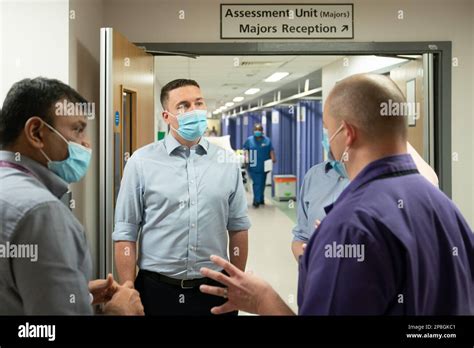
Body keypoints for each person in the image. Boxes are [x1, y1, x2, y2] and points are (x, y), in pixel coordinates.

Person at [199, 73, 474, 315]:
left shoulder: (351, 223)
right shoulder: (445, 207)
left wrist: (263, 301)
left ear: (348, 134)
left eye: (329, 131)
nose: (327, 140)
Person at [0, 77, 144, 315]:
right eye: (77, 129)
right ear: (36, 132)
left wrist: (78, 294)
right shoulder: (42, 211)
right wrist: (119, 312)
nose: (85, 143)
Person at [113, 78, 250, 315]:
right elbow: (126, 231)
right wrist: (128, 290)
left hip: (215, 289)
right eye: (183, 106)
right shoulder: (141, 162)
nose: (194, 111)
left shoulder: (226, 162)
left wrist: (237, 281)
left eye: (198, 103)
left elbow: (238, 227)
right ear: (167, 116)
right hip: (156, 290)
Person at [291, 140, 439, 260]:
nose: (327, 133)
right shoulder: (313, 176)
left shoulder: (383, 183)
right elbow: (301, 237)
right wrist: (308, 264)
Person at [242, 123, 276, 208]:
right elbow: (245, 151)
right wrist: (245, 160)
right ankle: (256, 200)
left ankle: (261, 199)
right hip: (253, 165)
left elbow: (271, 150)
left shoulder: (267, 140)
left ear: (262, 131)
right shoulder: (249, 140)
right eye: (256, 130)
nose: (257, 131)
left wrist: (273, 158)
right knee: (256, 183)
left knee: (262, 183)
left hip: (264, 166)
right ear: (253, 131)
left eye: (259, 130)